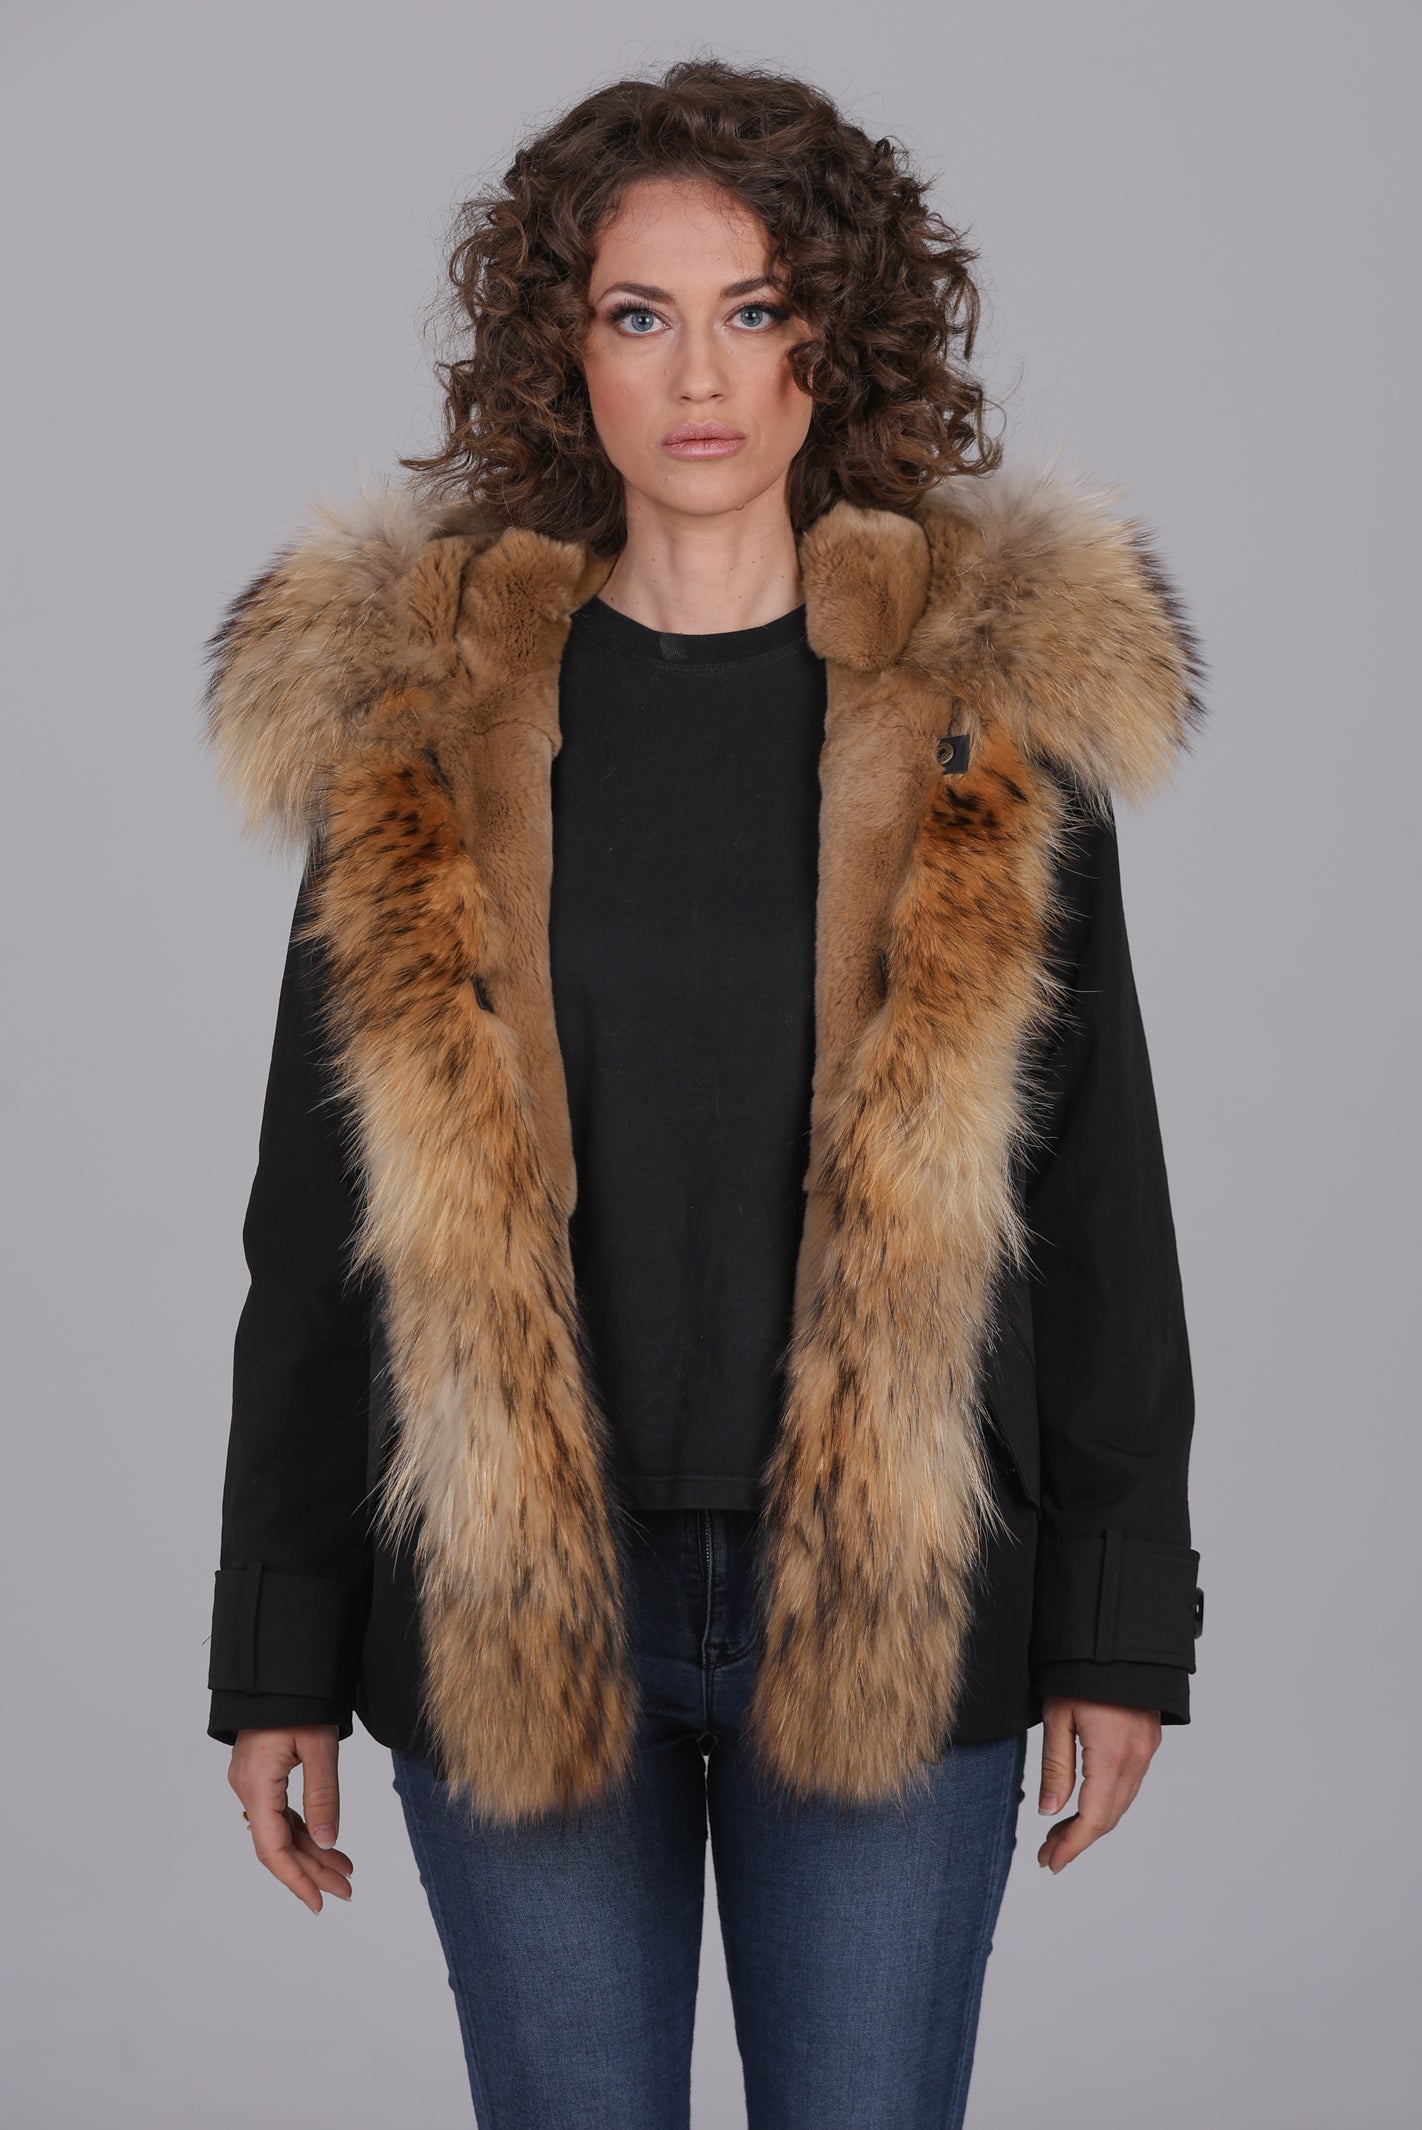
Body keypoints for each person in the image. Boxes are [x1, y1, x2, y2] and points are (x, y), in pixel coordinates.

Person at [203, 56, 1205, 2130]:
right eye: (638, 314)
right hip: (515, 1609)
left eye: (755, 311)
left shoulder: (981, 729)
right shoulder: (423, 734)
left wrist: (1117, 1632)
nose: (698, 376)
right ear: (562, 353)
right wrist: (277, 1653)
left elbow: (1098, 1200)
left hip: (896, 1600)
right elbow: (318, 1229)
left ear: (836, 341)